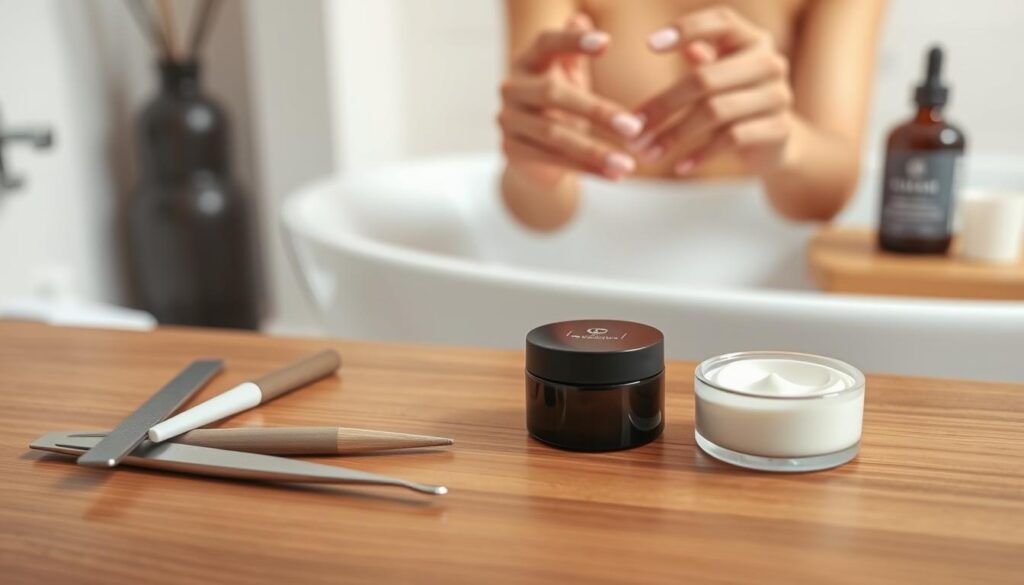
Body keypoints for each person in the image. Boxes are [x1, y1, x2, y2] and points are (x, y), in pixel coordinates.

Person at [498, 1, 886, 230]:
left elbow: (828, 197)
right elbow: (539, 214)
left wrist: (787, 145)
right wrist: (538, 169)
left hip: (763, 264)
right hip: (593, 266)